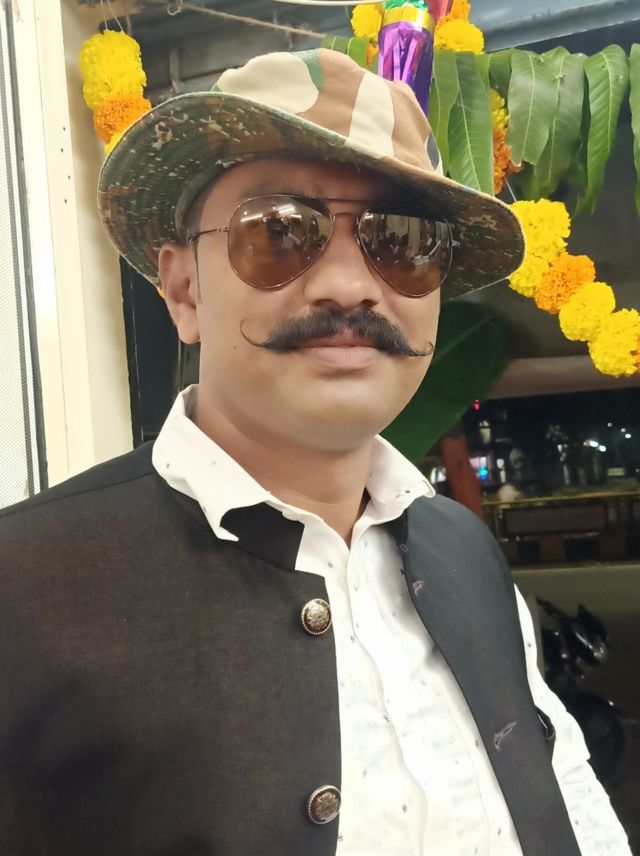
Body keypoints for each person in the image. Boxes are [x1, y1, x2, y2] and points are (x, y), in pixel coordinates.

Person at [0, 49, 630, 856]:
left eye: (402, 240)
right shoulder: (25, 589)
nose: (349, 285)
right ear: (184, 290)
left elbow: (565, 791)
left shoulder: (464, 553)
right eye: (278, 231)